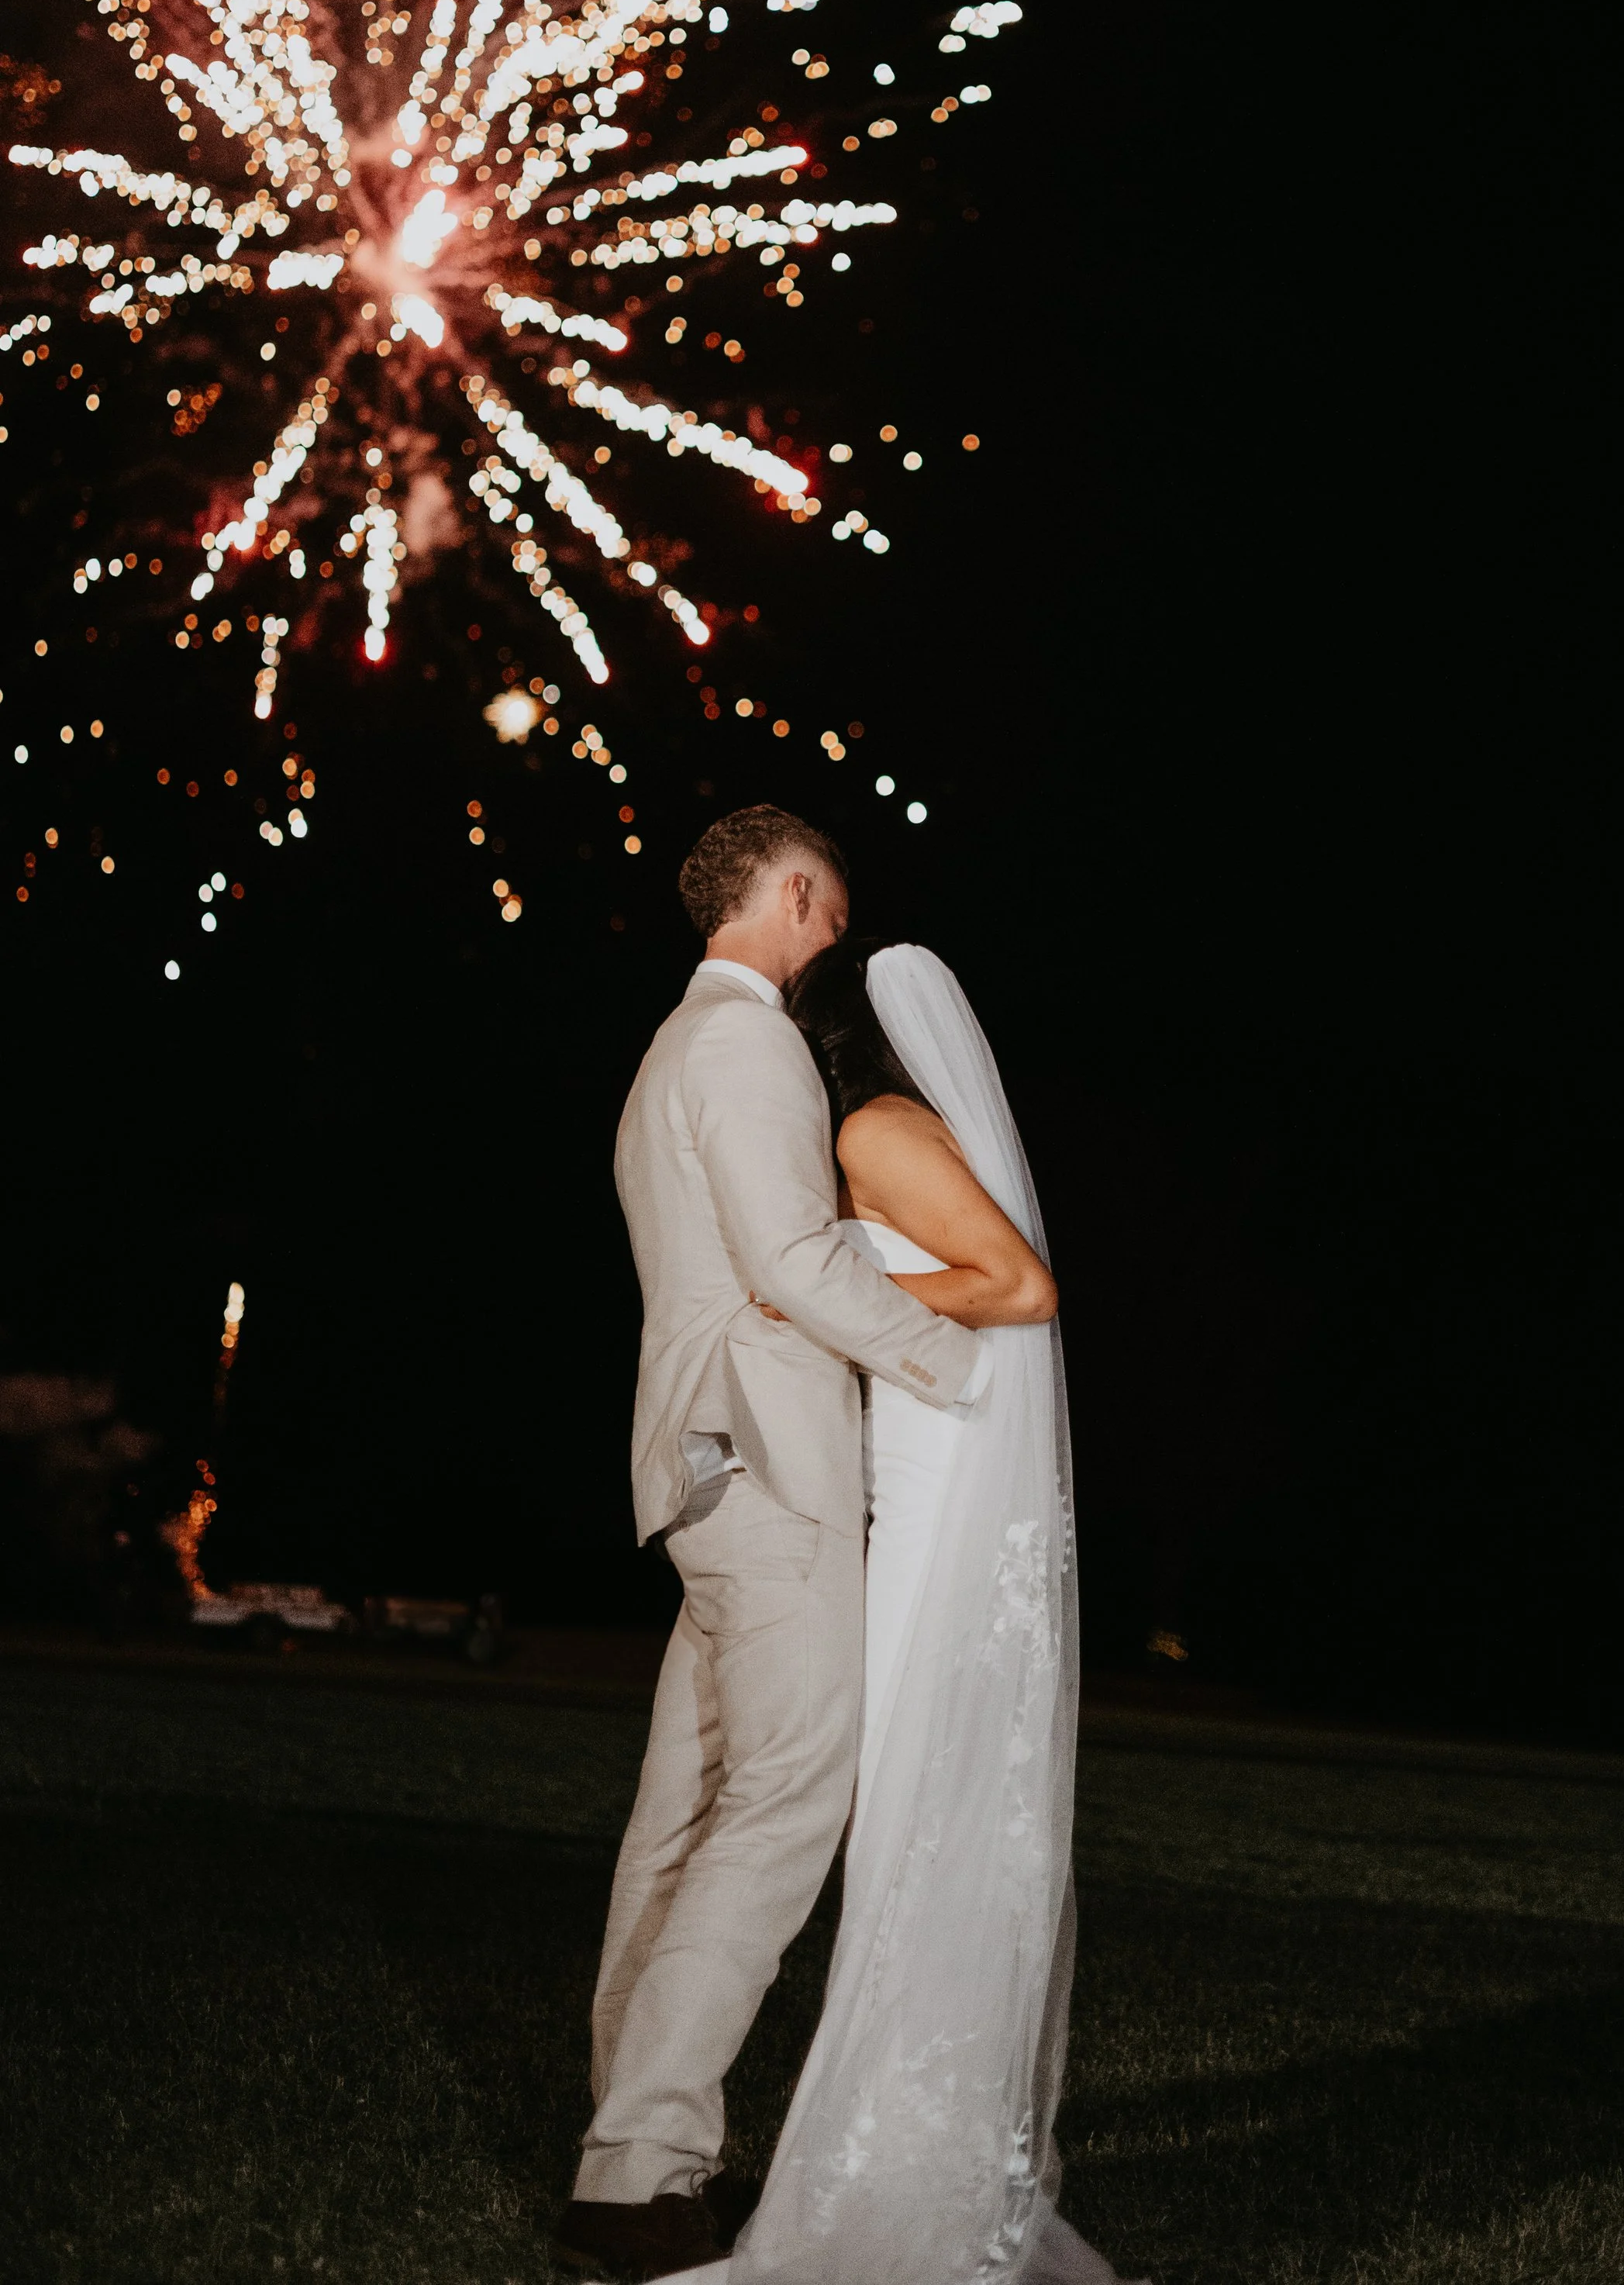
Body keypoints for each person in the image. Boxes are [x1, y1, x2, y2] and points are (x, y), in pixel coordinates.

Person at [553, 808, 1053, 2285]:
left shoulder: (664, 1053)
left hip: (701, 1468)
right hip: (769, 1474)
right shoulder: (748, 1043)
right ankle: (639, 2170)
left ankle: (625, 2138)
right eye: (829, 910)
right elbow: (787, 1261)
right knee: (782, 1804)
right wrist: (952, 1369)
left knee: (684, 1816)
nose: (836, 938)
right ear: (790, 889)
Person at [712, 937, 1136, 2285]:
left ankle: (906, 2177)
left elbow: (1020, 1286)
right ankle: (924, 2151)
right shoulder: (896, 1128)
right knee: (924, 1818)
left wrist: (828, 1299)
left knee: (920, 1815)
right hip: (919, 1480)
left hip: (943, 1506)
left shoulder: (884, 1129)